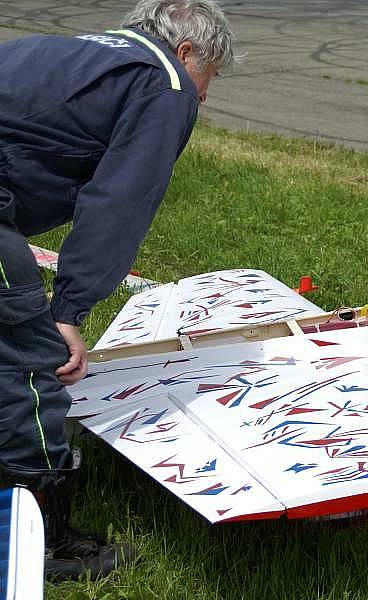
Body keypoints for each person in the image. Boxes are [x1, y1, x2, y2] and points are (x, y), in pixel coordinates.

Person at [0, 0, 235, 581]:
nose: (201, 100)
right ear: (186, 54)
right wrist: (67, 310)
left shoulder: (67, 50)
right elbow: (120, 201)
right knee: (30, 360)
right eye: (208, 83)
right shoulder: (166, 82)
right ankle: (40, 542)